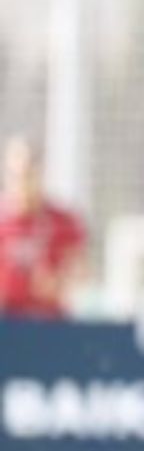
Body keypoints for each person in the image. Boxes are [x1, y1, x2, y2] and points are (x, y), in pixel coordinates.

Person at [0, 136, 87, 320]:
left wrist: (57, 282)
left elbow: (80, 271)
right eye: (14, 174)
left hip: (48, 323)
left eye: (28, 173)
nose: (21, 182)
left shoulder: (63, 221)